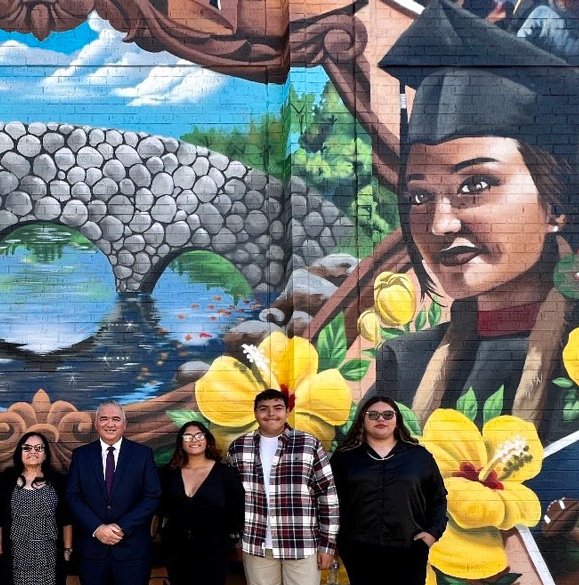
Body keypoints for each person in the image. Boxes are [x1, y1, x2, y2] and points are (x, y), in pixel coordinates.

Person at [376, 0, 579, 443]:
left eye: (476, 185)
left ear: (556, 204)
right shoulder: (403, 366)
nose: (441, 224)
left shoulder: (575, 360)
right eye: (419, 196)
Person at [330, 397, 447, 585]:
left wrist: (432, 534)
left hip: (409, 547)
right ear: (362, 419)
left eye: (388, 414)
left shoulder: (418, 457)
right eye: (373, 415)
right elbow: (329, 501)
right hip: (358, 548)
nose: (381, 419)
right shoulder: (345, 458)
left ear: (397, 420)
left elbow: (438, 499)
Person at [226, 389, 338, 585]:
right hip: (256, 544)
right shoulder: (239, 447)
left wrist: (327, 545)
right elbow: (231, 498)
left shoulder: (308, 444)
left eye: (277, 408)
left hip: (301, 543)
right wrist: (236, 539)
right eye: (264, 409)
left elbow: (327, 494)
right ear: (255, 413)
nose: (271, 414)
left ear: (287, 411)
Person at [65, 399, 161, 585]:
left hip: (132, 552)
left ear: (124, 425)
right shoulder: (81, 456)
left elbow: (152, 496)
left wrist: (121, 528)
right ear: (96, 424)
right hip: (92, 552)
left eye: (116, 419)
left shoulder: (142, 454)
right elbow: (72, 496)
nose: (110, 424)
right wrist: (97, 528)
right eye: (104, 419)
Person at [160, 421, 244, 585]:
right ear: (181, 442)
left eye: (199, 435)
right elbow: (159, 506)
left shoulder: (224, 473)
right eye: (188, 436)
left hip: (213, 551)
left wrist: (237, 543)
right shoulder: (168, 473)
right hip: (177, 552)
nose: (194, 440)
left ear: (207, 440)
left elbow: (238, 510)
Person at [0, 432, 73, 585]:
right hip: (15, 558)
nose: (33, 452)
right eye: (27, 448)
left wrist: (67, 552)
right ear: (20, 453)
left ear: (45, 455)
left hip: (49, 558)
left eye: (38, 448)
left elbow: (67, 519)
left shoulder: (58, 481)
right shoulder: (7, 480)